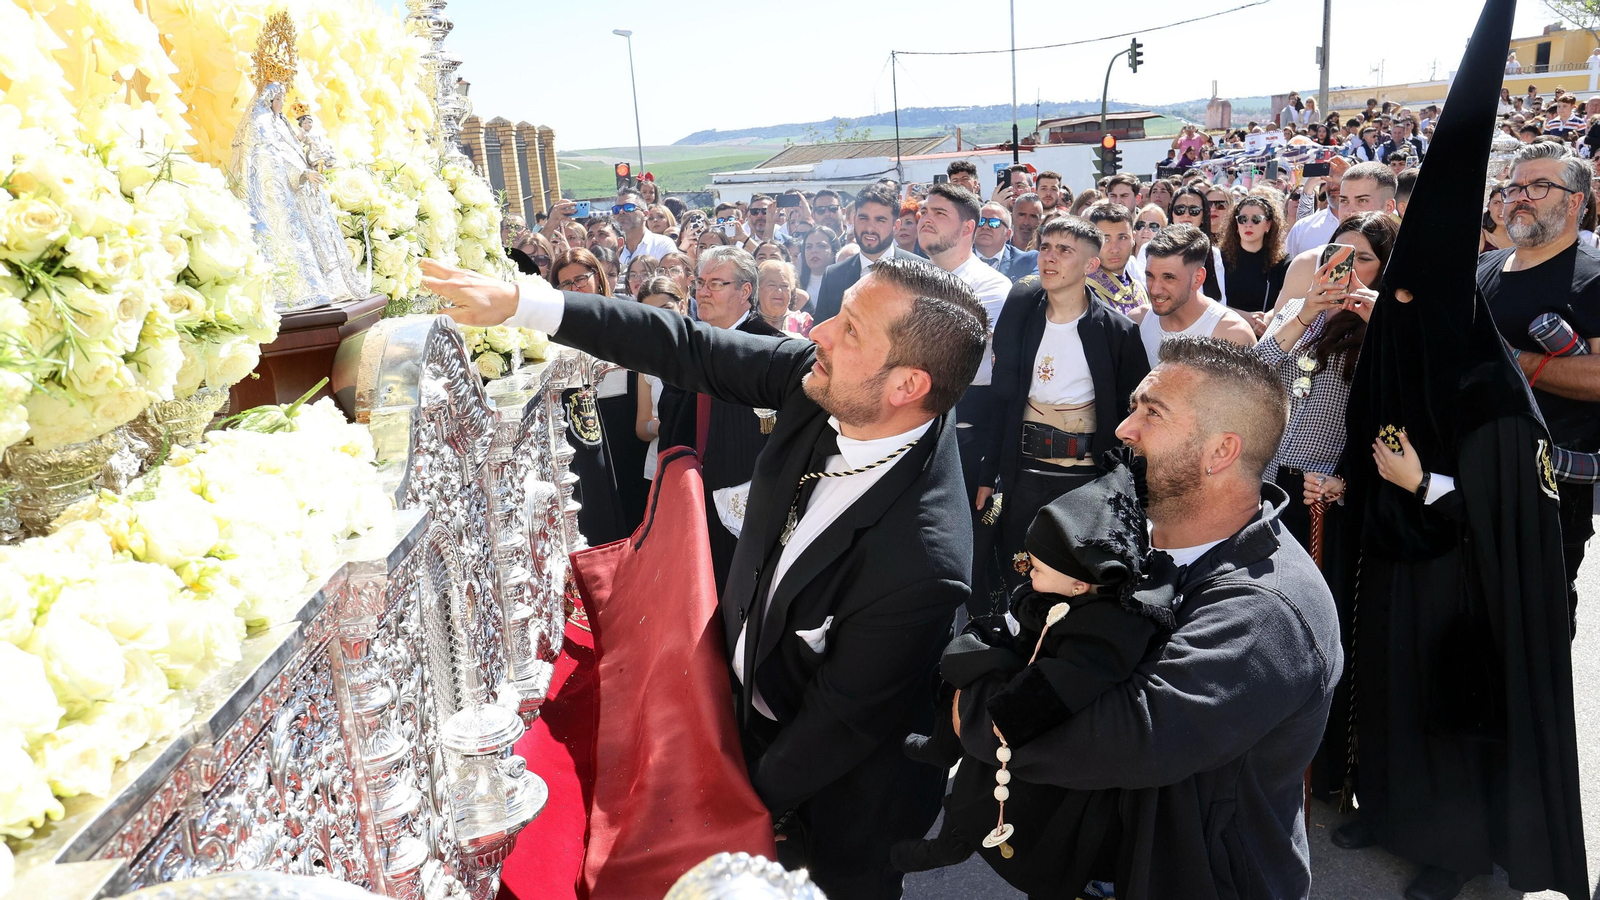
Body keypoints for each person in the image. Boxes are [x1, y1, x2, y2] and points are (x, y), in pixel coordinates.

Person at [422, 250, 990, 900]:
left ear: (907, 386)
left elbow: (840, 726)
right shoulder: (829, 381)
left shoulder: (923, 562)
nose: (818, 334)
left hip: (841, 804)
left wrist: (718, 804)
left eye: (851, 330)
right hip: (754, 718)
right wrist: (525, 305)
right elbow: (688, 346)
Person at [1334, 7, 1588, 896]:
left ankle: (1459, 851)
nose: (1400, 310)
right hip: (1397, 564)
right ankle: (1387, 807)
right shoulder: (1424, 336)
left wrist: (1427, 482)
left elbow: (1508, 506)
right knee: (1393, 695)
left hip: (1468, 586)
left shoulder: (1491, 387)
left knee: (1457, 710)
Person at [957, 334, 1340, 900]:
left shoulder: (1266, 610)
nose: (1123, 429)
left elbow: (1123, 736)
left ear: (1220, 452)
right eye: (1135, 405)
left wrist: (973, 712)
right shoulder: (1136, 533)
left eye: (1152, 413)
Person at [890, 449, 1181, 893]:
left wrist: (991, 679)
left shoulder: (1103, 637)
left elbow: (1032, 705)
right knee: (962, 672)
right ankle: (941, 747)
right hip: (1023, 696)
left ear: (1081, 582)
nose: (1028, 573)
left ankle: (946, 848)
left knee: (978, 804)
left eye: (1038, 568)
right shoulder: (1065, 595)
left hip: (1050, 756)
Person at [1252, 212, 1394, 800]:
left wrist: (1344, 482)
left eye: (1362, 258)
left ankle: (1329, 771)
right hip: (1268, 489)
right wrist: (1306, 311)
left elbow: (1393, 420)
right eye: (1338, 255)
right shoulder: (1302, 317)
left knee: (1319, 635)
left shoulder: (1385, 328)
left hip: (1327, 498)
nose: (1346, 269)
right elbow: (1250, 374)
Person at [981, 216, 1149, 591]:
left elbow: (1134, 419)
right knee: (1020, 577)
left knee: (1077, 581)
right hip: (1025, 474)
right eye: (1045, 247)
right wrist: (986, 474)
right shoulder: (1022, 319)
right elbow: (1003, 402)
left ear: (1091, 264)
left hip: (1085, 479)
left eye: (1064, 250)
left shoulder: (1118, 332)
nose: (1049, 257)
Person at [1481, 139, 1600, 633]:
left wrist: (1511, 360)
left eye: (1539, 186)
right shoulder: (1484, 270)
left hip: (1551, 489)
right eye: (1513, 187)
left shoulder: (1592, 279)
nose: (1520, 197)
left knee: (1538, 624)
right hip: (1473, 475)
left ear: (1576, 201)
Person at [917, 183, 1014, 515]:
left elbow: (940, 356)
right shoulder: (908, 279)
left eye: (939, 213)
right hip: (910, 434)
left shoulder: (992, 286)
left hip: (963, 441)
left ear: (968, 227)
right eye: (924, 212)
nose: (926, 220)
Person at [1136, 225, 1255, 365]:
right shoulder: (1138, 322)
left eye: (1168, 278)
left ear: (1198, 278)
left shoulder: (1233, 335)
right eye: (1150, 276)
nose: (1155, 290)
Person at [813, 185, 922, 324]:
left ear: (896, 226)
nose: (870, 228)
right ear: (854, 220)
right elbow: (822, 337)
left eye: (880, 220)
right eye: (863, 218)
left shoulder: (920, 272)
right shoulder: (833, 276)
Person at [634, 275, 689, 485]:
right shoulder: (645, 362)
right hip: (659, 466)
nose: (660, 319)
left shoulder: (702, 351)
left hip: (701, 466)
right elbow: (641, 427)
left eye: (666, 309)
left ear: (681, 306)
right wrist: (662, 426)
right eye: (651, 313)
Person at [1147, 185, 1227, 302]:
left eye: (1194, 210)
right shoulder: (1149, 249)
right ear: (1172, 214)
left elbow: (1221, 301)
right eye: (1180, 209)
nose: (1186, 215)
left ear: (1203, 216)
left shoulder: (1213, 254)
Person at [1219, 193, 1290, 322]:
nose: (1248, 224)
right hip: (1226, 330)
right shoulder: (1219, 259)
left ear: (1268, 225)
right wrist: (1246, 317)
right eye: (1243, 219)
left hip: (1267, 330)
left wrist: (1265, 320)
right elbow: (1212, 302)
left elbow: (1288, 304)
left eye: (1256, 219)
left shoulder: (1283, 262)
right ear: (1236, 224)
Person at [1084, 202, 1148, 317]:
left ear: (1133, 238)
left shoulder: (1139, 288)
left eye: (1122, 238)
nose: (1115, 249)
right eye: (1106, 239)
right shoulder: (1084, 291)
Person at [972, 202, 1039, 281]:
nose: (985, 226)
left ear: (1007, 234)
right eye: (981, 221)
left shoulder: (1027, 261)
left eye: (994, 222)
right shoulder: (957, 257)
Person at [756, 260, 806, 336]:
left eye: (785, 286)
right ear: (758, 289)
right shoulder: (747, 322)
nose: (779, 291)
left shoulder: (803, 322)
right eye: (772, 285)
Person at [798, 226, 840, 304]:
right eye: (809, 247)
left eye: (821, 246)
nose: (814, 251)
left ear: (834, 251)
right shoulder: (795, 286)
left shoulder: (844, 283)